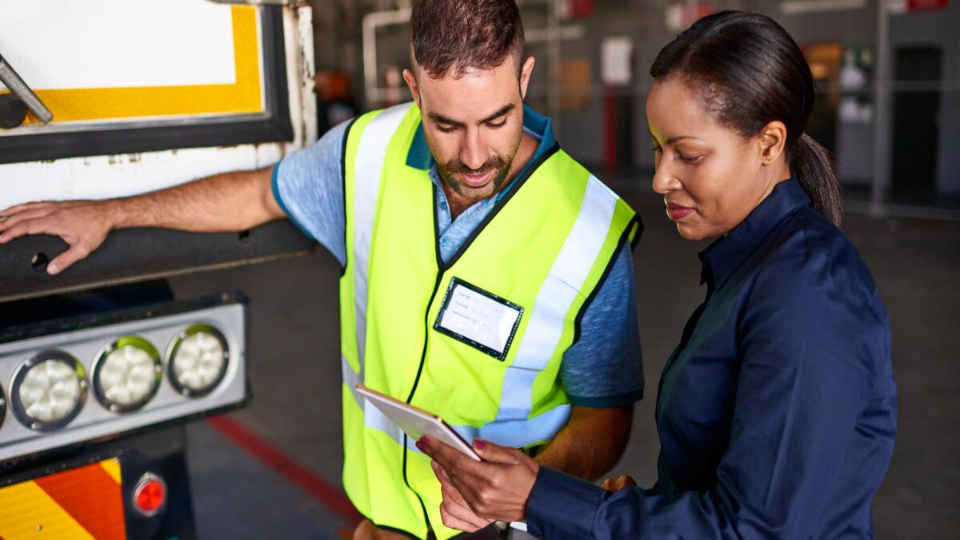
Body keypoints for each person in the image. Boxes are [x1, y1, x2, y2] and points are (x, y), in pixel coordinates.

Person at [0, 1, 644, 538]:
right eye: (446, 125)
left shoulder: (589, 229)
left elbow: (606, 416)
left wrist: (522, 491)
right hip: (381, 522)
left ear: (524, 79)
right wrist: (112, 212)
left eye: (495, 120)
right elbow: (256, 194)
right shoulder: (365, 153)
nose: (474, 155)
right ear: (412, 88)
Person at [421, 11, 897, 539]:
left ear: (768, 143)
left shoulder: (809, 290)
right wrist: (650, 505)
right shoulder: (753, 270)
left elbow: (758, 531)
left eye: (688, 155)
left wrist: (541, 497)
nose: (661, 177)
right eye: (657, 148)